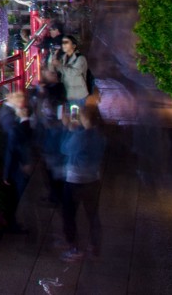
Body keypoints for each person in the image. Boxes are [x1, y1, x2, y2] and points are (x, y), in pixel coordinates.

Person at [60, 105, 106, 260]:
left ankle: (73, 247)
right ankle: (95, 245)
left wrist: (69, 130)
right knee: (92, 214)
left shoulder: (81, 136)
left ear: (85, 118)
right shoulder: (100, 136)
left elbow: (65, 148)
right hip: (93, 179)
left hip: (75, 180)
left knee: (69, 214)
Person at [0, 89, 33, 233]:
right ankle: (14, 224)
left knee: (18, 196)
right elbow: (14, 145)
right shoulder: (10, 117)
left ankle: (14, 222)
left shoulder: (8, 112)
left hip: (16, 161)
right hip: (16, 163)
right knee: (19, 195)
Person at [32, 69, 68, 209]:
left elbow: (50, 107)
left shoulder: (57, 90)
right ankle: (56, 194)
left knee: (53, 167)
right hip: (49, 133)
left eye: (50, 73)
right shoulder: (48, 89)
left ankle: (56, 195)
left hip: (53, 133)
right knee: (51, 167)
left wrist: (42, 93)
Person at [52, 34, 90, 110]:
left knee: (77, 118)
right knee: (69, 119)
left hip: (78, 95)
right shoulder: (63, 58)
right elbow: (53, 70)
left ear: (74, 46)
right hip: (67, 94)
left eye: (66, 42)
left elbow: (74, 73)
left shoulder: (80, 58)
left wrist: (59, 66)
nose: (63, 45)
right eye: (62, 43)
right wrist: (53, 57)